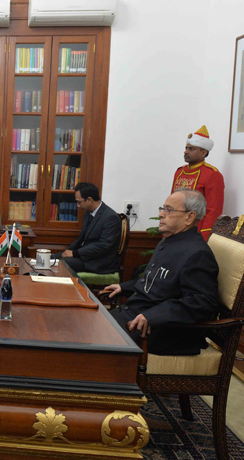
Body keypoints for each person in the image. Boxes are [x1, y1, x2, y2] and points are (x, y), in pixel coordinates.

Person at [104, 189, 218, 355]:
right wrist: (123, 287)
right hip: (136, 314)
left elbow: (201, 303)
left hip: (162, 330)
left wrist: (153, 316)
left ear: (189, 217)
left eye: (169, 210)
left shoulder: (197, 253)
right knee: (92, 326)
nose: (161, 215)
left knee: (96, 342)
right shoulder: (169, 241)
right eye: (162, 208)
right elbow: (156, 280)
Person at [54, 182, 121, 274]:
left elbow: (103, 246)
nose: (78, 206)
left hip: (98, 263)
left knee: (61, 263)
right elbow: (81, 238)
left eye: (79, 202)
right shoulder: (87, 214)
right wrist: (69, 251)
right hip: (85, 257)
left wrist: (75, 253)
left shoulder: (110, 217)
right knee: (51, 258)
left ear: (89, 200)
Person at [172, 125, 225, 241]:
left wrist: (203, 237)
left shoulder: (212, 175)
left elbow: (213, 211)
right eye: (186, 147)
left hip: (195, 233)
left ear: (203, 152)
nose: (185, 151)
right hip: (175, 230)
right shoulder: (179, 172)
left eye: (191, 149)